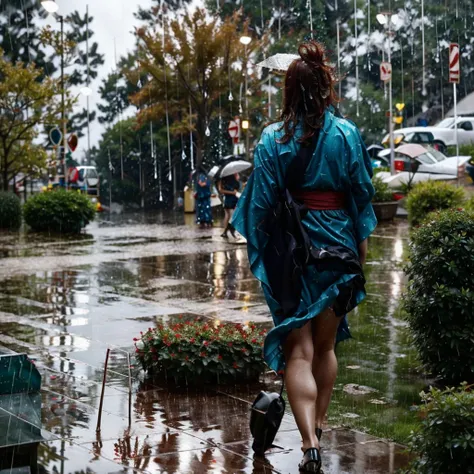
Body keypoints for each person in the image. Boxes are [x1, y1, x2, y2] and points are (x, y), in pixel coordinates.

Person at [231, 41, 377, 473]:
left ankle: (309, 443)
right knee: (327, 346)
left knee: (299, 351)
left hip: (293, 259)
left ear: (289, 92)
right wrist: (358, 254)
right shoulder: (347, 135)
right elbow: (360, 200)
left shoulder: (271, 140)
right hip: (340, 252)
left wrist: (266, 256)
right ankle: (319, 426)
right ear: (326, 88)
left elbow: (259, 209)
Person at [218, 173, 240, 238]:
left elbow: (220, 190)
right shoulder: (235, 182)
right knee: (232, 217)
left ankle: (225, 231)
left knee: (227, 216)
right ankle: (229, 230)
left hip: (227, 200)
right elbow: (235, 191)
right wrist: (232, 192)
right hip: (232, 200)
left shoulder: (222, 180)